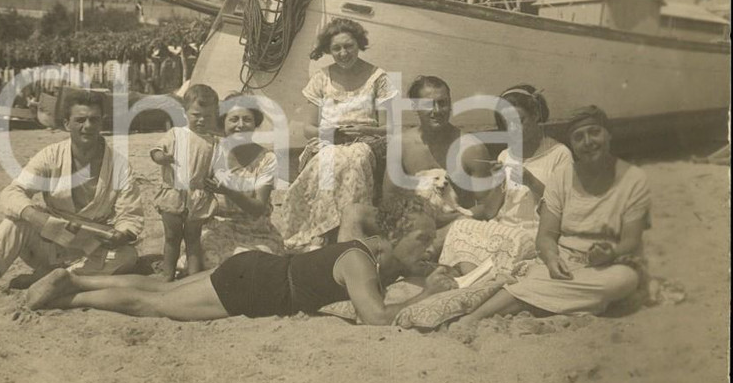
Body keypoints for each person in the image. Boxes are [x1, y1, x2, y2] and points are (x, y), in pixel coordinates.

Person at [23, 195, 457, 324]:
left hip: (256, 267)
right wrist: (426, 296)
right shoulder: (360, 262)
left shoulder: (368, 256)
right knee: (153, 305)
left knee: (163, 288)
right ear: (392, 237)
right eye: (422, 239)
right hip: (255, 286)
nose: (430, 247)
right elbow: (376, 318)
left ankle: (76, 282)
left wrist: (435, 278)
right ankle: (67, 300)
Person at [459, 105, 651, 321]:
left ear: (608, 134)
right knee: (539, 274)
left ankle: (535, 300)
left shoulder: (632, 179)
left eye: (594, 132)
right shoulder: (562, 178)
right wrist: (551, 258)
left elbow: (632, 240)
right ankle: (474, 318)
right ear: (574, 144)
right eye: (579, 137)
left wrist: (610, 253)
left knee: (620, 281)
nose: (588, 142)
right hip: (566, 258)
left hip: (612, 264)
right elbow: (546, 235)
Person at [0, 92, 144, 306]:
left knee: (128, 255)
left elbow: (131, 214)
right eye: (80, 120)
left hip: (91, 246)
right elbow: (11, 193)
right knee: (14, 222)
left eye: (94, 119)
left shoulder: (119, 165)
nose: (88, 126)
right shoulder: (51, 156)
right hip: (50, 240)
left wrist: (121, 234)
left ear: (102, 122)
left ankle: (54, 278)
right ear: (66, 124)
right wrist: (36, 218)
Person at [278, 18, 398, 249]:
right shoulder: (322, 78)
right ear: (328, 50)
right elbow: (308, 129)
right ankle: (319, 231)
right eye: (336, 48)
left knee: (356, 158)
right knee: (328, 160)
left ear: (359, 44)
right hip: (329, 141)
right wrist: (330, 132)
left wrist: (363, 129)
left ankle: (347, 231)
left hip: (367, 141)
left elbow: (390, 127)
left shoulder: (377, 77)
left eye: (349, 46)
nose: (343, 53)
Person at [437, 84, 574, 276]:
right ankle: (475, 279)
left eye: (520, 120)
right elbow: (491, 210)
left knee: (509, 241)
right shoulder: (505, 155)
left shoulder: (559, 154)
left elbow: (565, 208)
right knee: (460, 226)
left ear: (536, 114)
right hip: (504, 229)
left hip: (535, 234)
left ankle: (475, 279)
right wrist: (498, 182)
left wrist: (531, 182)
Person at [382, 75, 492, 250]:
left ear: (450, 104)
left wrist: (451, 219)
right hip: (412, 225)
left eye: (443, 103)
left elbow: (488, 206)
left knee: (460, 225)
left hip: (453, 227)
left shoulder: (471, 148)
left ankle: (413, 256)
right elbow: (388, 201)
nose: (437, 110)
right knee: (354, 213)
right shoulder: (401, 145)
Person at [200, 93, 284, 266]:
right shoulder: (212, 151)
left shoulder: (266, 159)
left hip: (256, 232)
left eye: (247, 119)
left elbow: (258, 209)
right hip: (219, 229)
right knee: (212, 259)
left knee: (254, 263)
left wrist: (229, 191)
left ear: (255, 124)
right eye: (234, 119)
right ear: (223, 122)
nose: (240, 125)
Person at [150, 84, 220, 281]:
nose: (202, 120)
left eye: (208, 116)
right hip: (173, 192)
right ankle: (167, 275)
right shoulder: (175, 133)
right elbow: (156, 151)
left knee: (193, 239)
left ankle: (193, 278)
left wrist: (217, 178)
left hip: (198, 196)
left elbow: (217, 167)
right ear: (185, 112)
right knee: (172, 238)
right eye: (196, 114)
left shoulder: (214, 142)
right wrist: (161, 157)